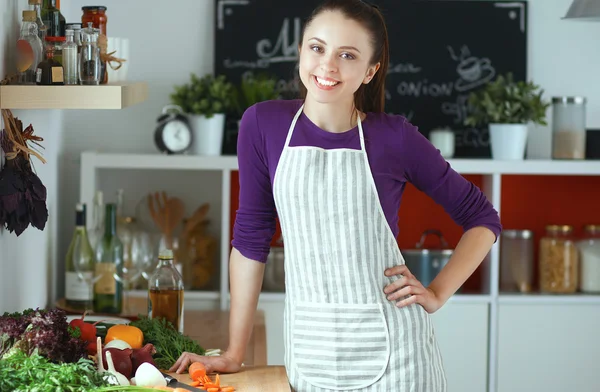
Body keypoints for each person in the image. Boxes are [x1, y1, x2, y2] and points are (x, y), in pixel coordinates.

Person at [170, 0, 501, 390]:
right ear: (300, 51)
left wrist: (437, 293)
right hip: (311, 353)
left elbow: (482, 217)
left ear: (370, 71)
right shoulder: (262, 124)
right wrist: (233, 352)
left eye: (347, 55)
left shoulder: (394, 137)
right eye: (317, 47)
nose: (327, 65)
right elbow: (251, 238)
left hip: (399, 362)